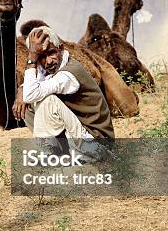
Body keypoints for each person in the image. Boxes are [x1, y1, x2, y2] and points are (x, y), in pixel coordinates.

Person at [12, 26, 114, 158]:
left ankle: (49, 155)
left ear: (61, 48)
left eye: (51, 53)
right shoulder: (51, 68)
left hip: (98, 145)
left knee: (48, 101)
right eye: (41, 56)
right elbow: (33, 86)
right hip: (79, 136)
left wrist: (32, 58)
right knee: (27, 105)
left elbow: (31, 93)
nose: (48, 61)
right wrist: (21, 89)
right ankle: (57, 153)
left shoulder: (68, 74)